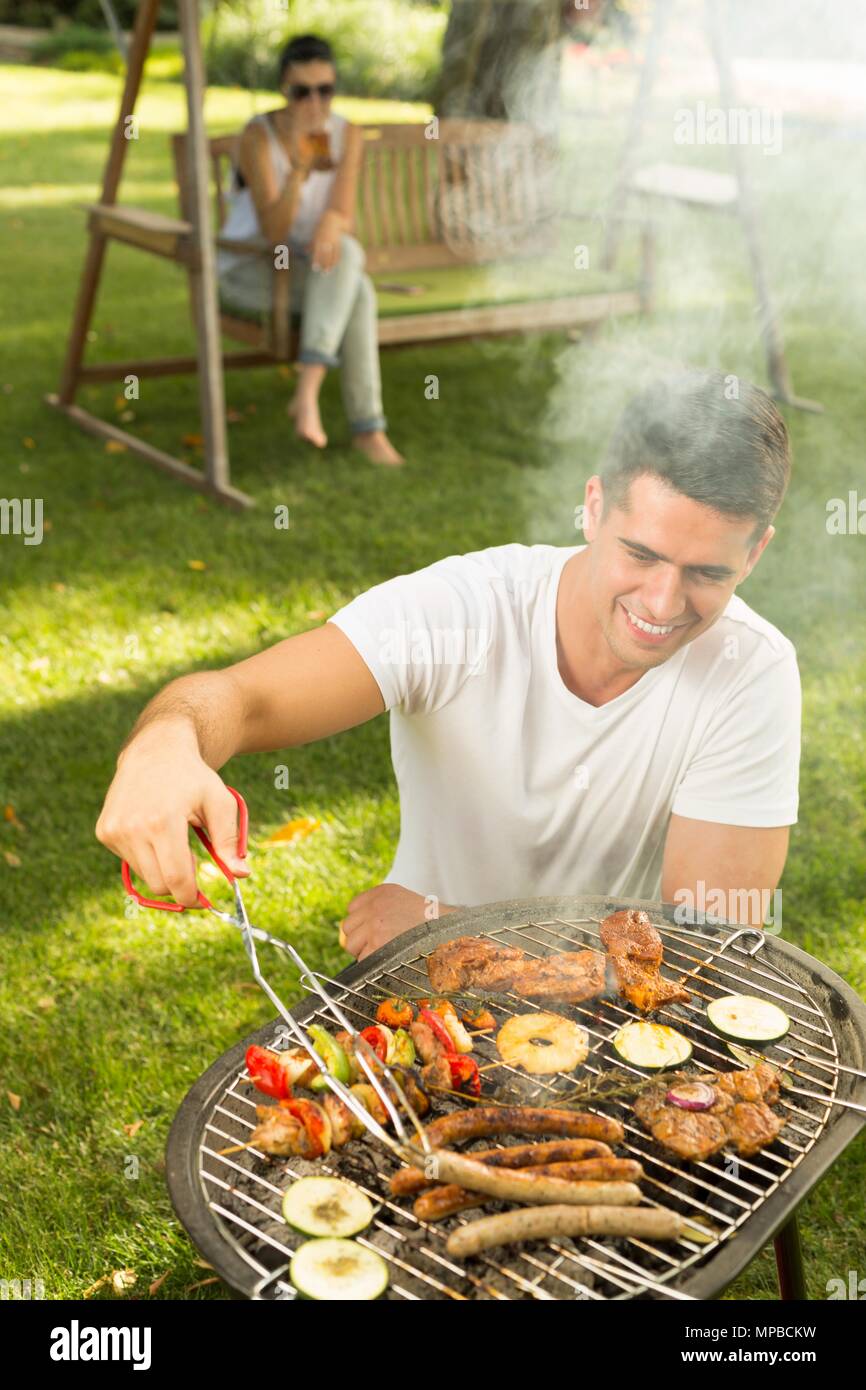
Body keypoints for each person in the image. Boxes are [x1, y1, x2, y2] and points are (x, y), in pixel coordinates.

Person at [96, 372, 801, 960]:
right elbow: (241, 699)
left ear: (757, 554)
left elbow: (707, 944)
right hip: (424, 990)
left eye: (706, 571)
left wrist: (451, 927)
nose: (662, 601)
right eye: (641, 554)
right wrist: (166, 746)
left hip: (617, 1016)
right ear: (592, 508)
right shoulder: (465, 612)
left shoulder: (750, 671)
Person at [217, 32, 403, 466]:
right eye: (302, 92)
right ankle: (366, 429)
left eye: (325, 90)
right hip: (251, 270)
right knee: (356, 287)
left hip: (311, 270)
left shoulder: (346, 134)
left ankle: (308, 391)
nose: (315, 104)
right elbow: (275, 233)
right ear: (284, 90)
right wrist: (300, 167)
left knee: (350, 260)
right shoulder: (257, 137)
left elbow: (343, 210)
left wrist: (330, 224)